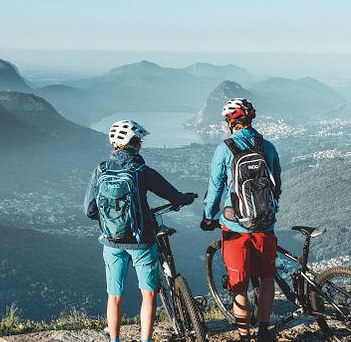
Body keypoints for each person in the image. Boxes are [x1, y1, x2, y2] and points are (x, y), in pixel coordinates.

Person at [84, 120, 197, 342]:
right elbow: (173, 195)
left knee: (114, 296)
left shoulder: (101, 170)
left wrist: (113, 220)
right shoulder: (141, 171)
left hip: (111, 242)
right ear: (135, 144)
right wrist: (185, 198)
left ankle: (115, 339)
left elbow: (89, 210)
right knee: (148, 294)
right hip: (142, 242)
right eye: (139, 141)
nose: (141, 144)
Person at [200, 99, 282, 342]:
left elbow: (215, 189)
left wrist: (208, 216)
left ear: (230, 121)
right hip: (265, 225)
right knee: (267, 278)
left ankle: (245, 336)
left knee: (239, 285)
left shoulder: (225, 149)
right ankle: (264, 332)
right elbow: (275, 184)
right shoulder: (267, 146)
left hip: (235, 227)